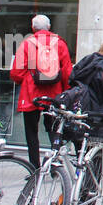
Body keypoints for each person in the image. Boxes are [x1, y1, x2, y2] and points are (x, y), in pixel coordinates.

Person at [9, 15, 73, 168]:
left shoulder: (27, 44)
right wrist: (65, 91)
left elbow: (16, 72)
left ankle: (34, 168)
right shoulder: (60, 43)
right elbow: (67, 72)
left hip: (31, 94)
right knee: (54, 131)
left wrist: (28, 80)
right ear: (49, 27)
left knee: (31, 132)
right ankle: (54, 166)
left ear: (33, 28)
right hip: (54, 94)